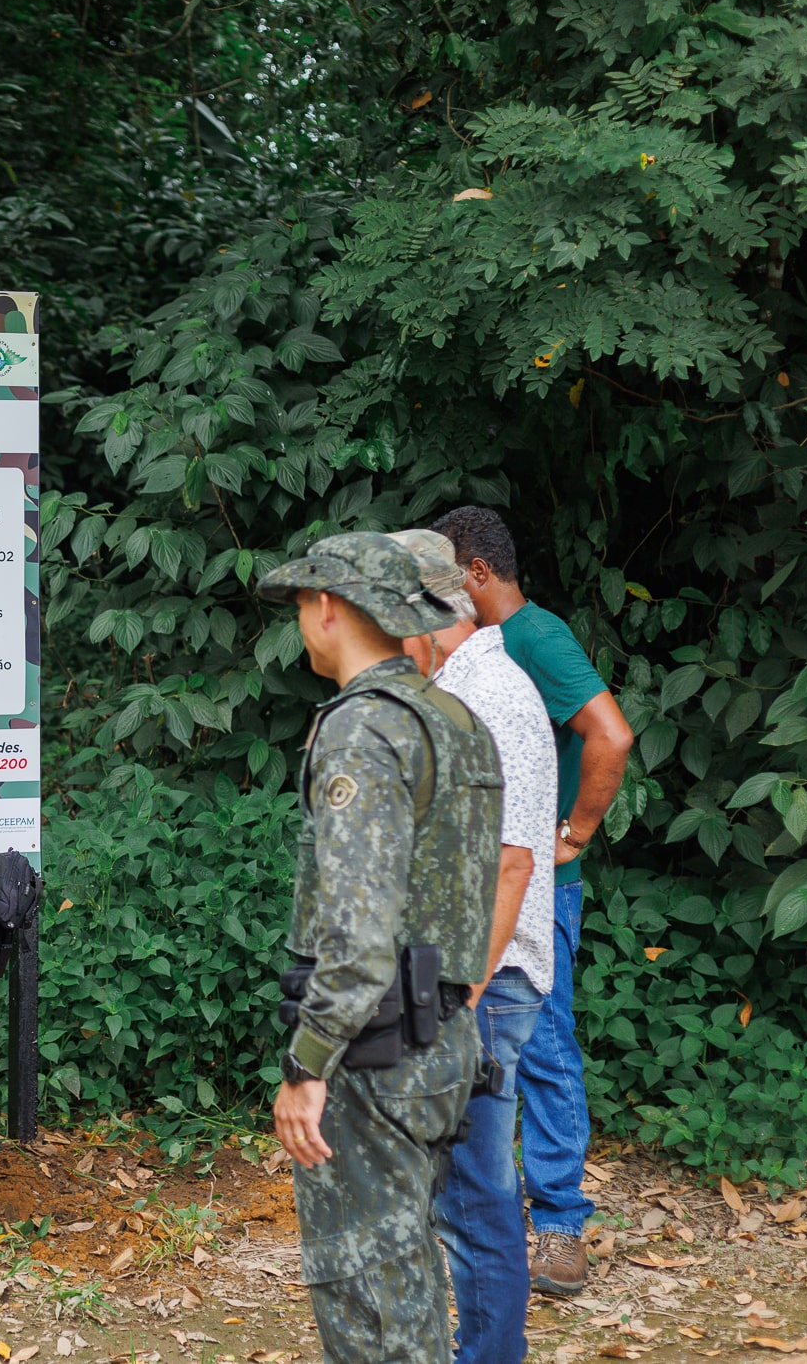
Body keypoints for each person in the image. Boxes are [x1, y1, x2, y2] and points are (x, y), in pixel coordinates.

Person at [255, 533, 503, 1364]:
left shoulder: (363, 728)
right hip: (445, 1040)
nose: (301, 621)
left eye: (301, 605)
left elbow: (358, 936)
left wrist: (307, 1066)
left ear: (328, 607)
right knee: (406, 1271)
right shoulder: (456, 718)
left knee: (366, 1291)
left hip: (373, 1053)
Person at [428, 505, 635, 1295]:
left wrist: (573, 835)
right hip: (488, 877)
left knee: (539, 1043)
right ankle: (494, 1225)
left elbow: (610, 733)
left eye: (444, 579)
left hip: (532, 883)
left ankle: (558, 1227)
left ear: (477, 574)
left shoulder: (531, 638)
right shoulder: (476, 649)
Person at [391, 529, 558, 1364]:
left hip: (484, 987)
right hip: (479, 979)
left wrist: (458, 991)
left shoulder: (487, 692)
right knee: (464, 1190)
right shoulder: (468, 682)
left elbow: (513, 862)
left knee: (473, 1195)